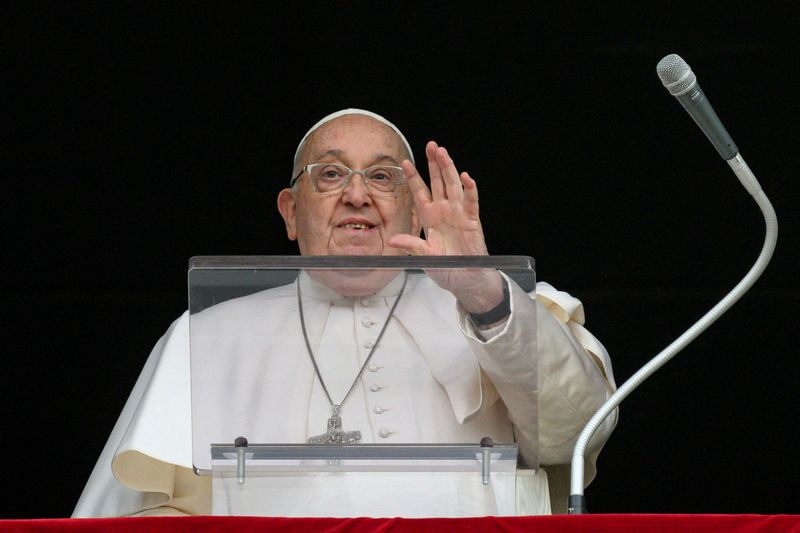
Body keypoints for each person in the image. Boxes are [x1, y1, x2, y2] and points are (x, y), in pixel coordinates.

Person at [73, 108, 617, 517]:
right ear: (291, 212)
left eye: (382, 177)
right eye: (330, 175)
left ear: (412, 208)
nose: (357, 195)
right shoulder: (205, 337)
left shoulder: (499, 303)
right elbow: (136, 516)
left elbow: (577, 440)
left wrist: (480, 291)